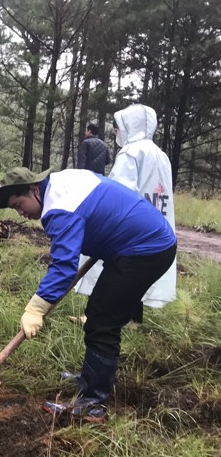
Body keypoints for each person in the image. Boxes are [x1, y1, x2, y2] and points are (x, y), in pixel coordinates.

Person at [0, 166, 177, 424]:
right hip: (136, 242)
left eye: (19, 204)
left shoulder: (58, 208)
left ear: (34, 190)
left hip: (145, 249)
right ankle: (93, 377)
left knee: (102, 321)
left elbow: (64, 266)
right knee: (99, 311)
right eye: (14, 209)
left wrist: (36, 309)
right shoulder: (60, 184)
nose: (21, 213)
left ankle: (92, 403)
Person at [76, 104, 176, 318]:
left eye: (119, 127)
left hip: (131, 227)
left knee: (117, 270)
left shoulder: (131, 153)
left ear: (131, 126)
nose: (116, 132)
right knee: (136, 274)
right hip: (156, 225)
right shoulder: (161, 155)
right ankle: (130, 317)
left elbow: (118, 194)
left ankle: (97, 316)